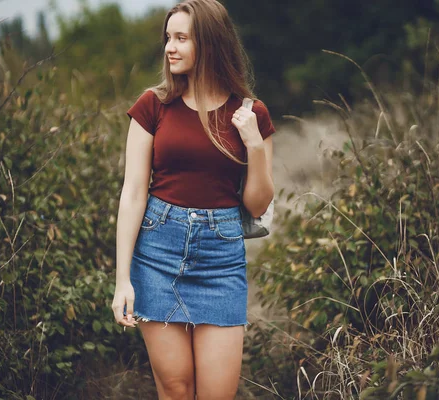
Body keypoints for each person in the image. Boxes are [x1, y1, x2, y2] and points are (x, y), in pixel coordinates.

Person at [111, 0, 275, 398]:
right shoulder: (153, 106)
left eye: (181, 38)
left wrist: (254, 144)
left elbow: (257, 205)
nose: (170, 47)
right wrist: (122, 280)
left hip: (221, 261)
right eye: (168, 37)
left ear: (211, 43)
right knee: (176, 388)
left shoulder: (251, 114)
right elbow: (133, 192)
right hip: (157, 255)